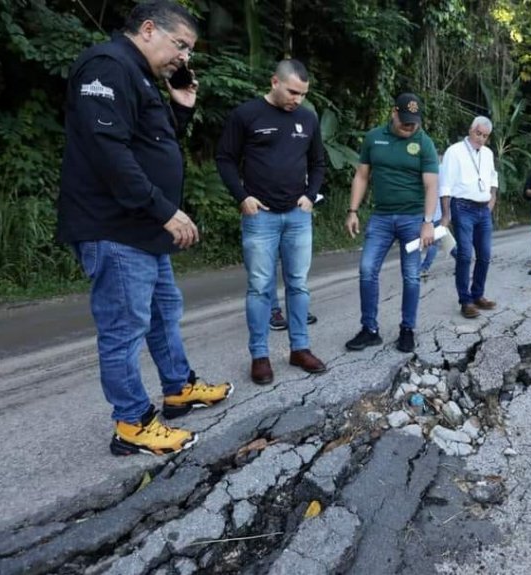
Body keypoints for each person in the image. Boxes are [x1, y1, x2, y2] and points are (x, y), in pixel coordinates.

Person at [57, 1, 232, 456]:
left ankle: (178, 388)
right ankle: (132, 422)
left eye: (189, 51)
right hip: (116, 227)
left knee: (163, 314)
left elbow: (151, 143)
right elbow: (109, 152)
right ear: (149, 29)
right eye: (181, 45)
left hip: (143, 228)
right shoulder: (108, 66)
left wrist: (182, 108)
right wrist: (164, 211)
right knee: (125, 328)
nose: (184, 58)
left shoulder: (139, 75)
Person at [216, 59, 328, 384]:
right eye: (293, 92)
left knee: (298, 284)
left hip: (297, 216)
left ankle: (300, 348)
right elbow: (224, 158)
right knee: (259, 288)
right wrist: (242, 197)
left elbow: (318, 162)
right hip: (260, 217)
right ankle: (260, 356)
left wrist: (310, 195)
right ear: (274, 82)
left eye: (303, 94)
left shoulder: (307, 118)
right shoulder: (246, 115)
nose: (298, 99)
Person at [344, 92, 438, 353]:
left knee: (411, 276)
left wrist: (428, 222)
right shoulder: (374, 138)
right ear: (393, 113)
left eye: (414, 122)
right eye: (405, 121)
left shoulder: (424, 143)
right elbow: (362, 176)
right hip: (381, 218)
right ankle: (369, 329)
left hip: (412, 219)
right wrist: (352, 211)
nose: (409, 127)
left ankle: (407, 329)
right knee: (367, 269)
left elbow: (431, 185)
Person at [439, 116, 499, 318]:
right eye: (478, 133)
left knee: (485, 254)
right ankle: (466, 301)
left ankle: (478, 295)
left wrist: (492, 200)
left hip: (483, 209)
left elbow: (493, 178)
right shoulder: (454, 151)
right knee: (465, 255)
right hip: (462, 207)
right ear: (470, 130)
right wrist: (446, 214)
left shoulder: (488, 154)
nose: (481, 138)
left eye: (485, 136)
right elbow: (445, 185)